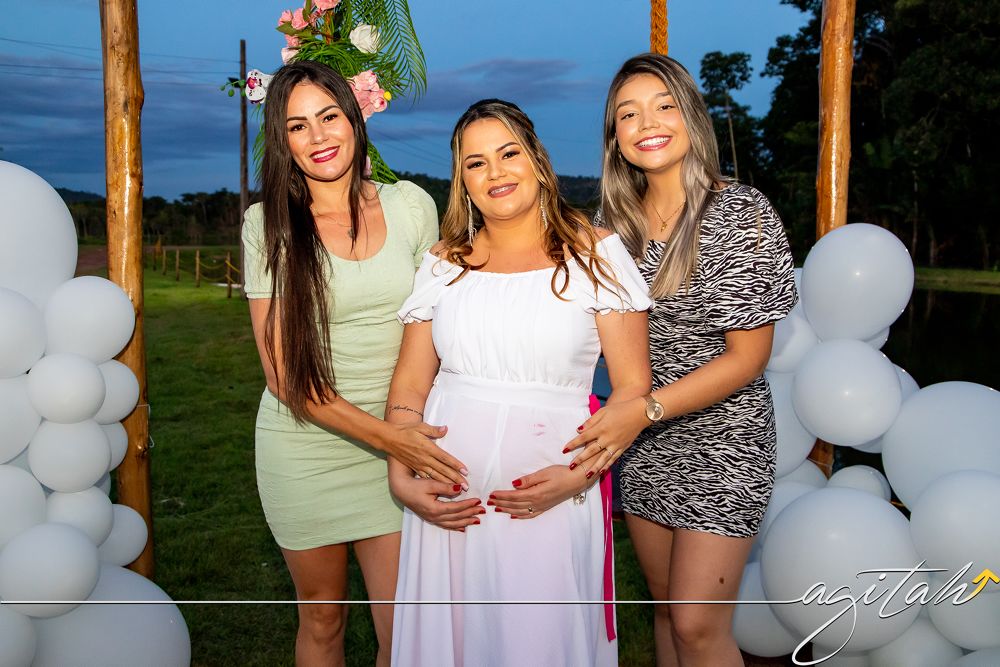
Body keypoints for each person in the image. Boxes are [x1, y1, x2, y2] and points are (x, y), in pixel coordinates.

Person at [385, 99, 653, 666]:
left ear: (537, 159)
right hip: (448, 503)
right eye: (476, 162)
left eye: (508, 154)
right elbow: (409, 388)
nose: (496, 172)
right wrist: (402, 476)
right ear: (462, 179)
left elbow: (632, 391)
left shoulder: (596, 253)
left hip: (548, 499)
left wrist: (577, 478)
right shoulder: (443, 263)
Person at [564, 54, 797, 666]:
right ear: (614, 136)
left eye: (664, 106)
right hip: (643, 443)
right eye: (628, 114)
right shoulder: (611, 226)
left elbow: (748, 358)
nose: (648, 123)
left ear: (691, 116)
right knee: (667, 612)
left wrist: (643, 409)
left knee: (697, 626)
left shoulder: (741, 213)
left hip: (725, 439)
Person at [241, 60, 466, 667]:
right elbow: (285, 376)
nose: (318, 137)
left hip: (399, 437)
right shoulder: (267, 226)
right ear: (282, 141)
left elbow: (439, 322)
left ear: (354, 119)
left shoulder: (411, 205)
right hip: (307, 446)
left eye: (329, 117)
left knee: (403, 626)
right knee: (322, 617)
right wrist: (393, 440)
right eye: (297, 126)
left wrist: (403, 439)